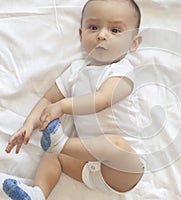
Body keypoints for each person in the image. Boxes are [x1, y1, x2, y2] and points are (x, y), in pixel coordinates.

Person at [2, 0, 144, 199]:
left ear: (133, 43)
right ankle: (38, 193)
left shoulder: (123, 71)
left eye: (115, 30)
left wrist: (63, 106)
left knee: (115, 144)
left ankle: (61, 143)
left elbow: (102, 100)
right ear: (81, 34)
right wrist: (29, 124)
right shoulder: (76, 71)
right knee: (53, 156)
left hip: (124, 168)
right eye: (93, 27)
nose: (102, 35)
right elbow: (48, 99)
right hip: (87, 167)